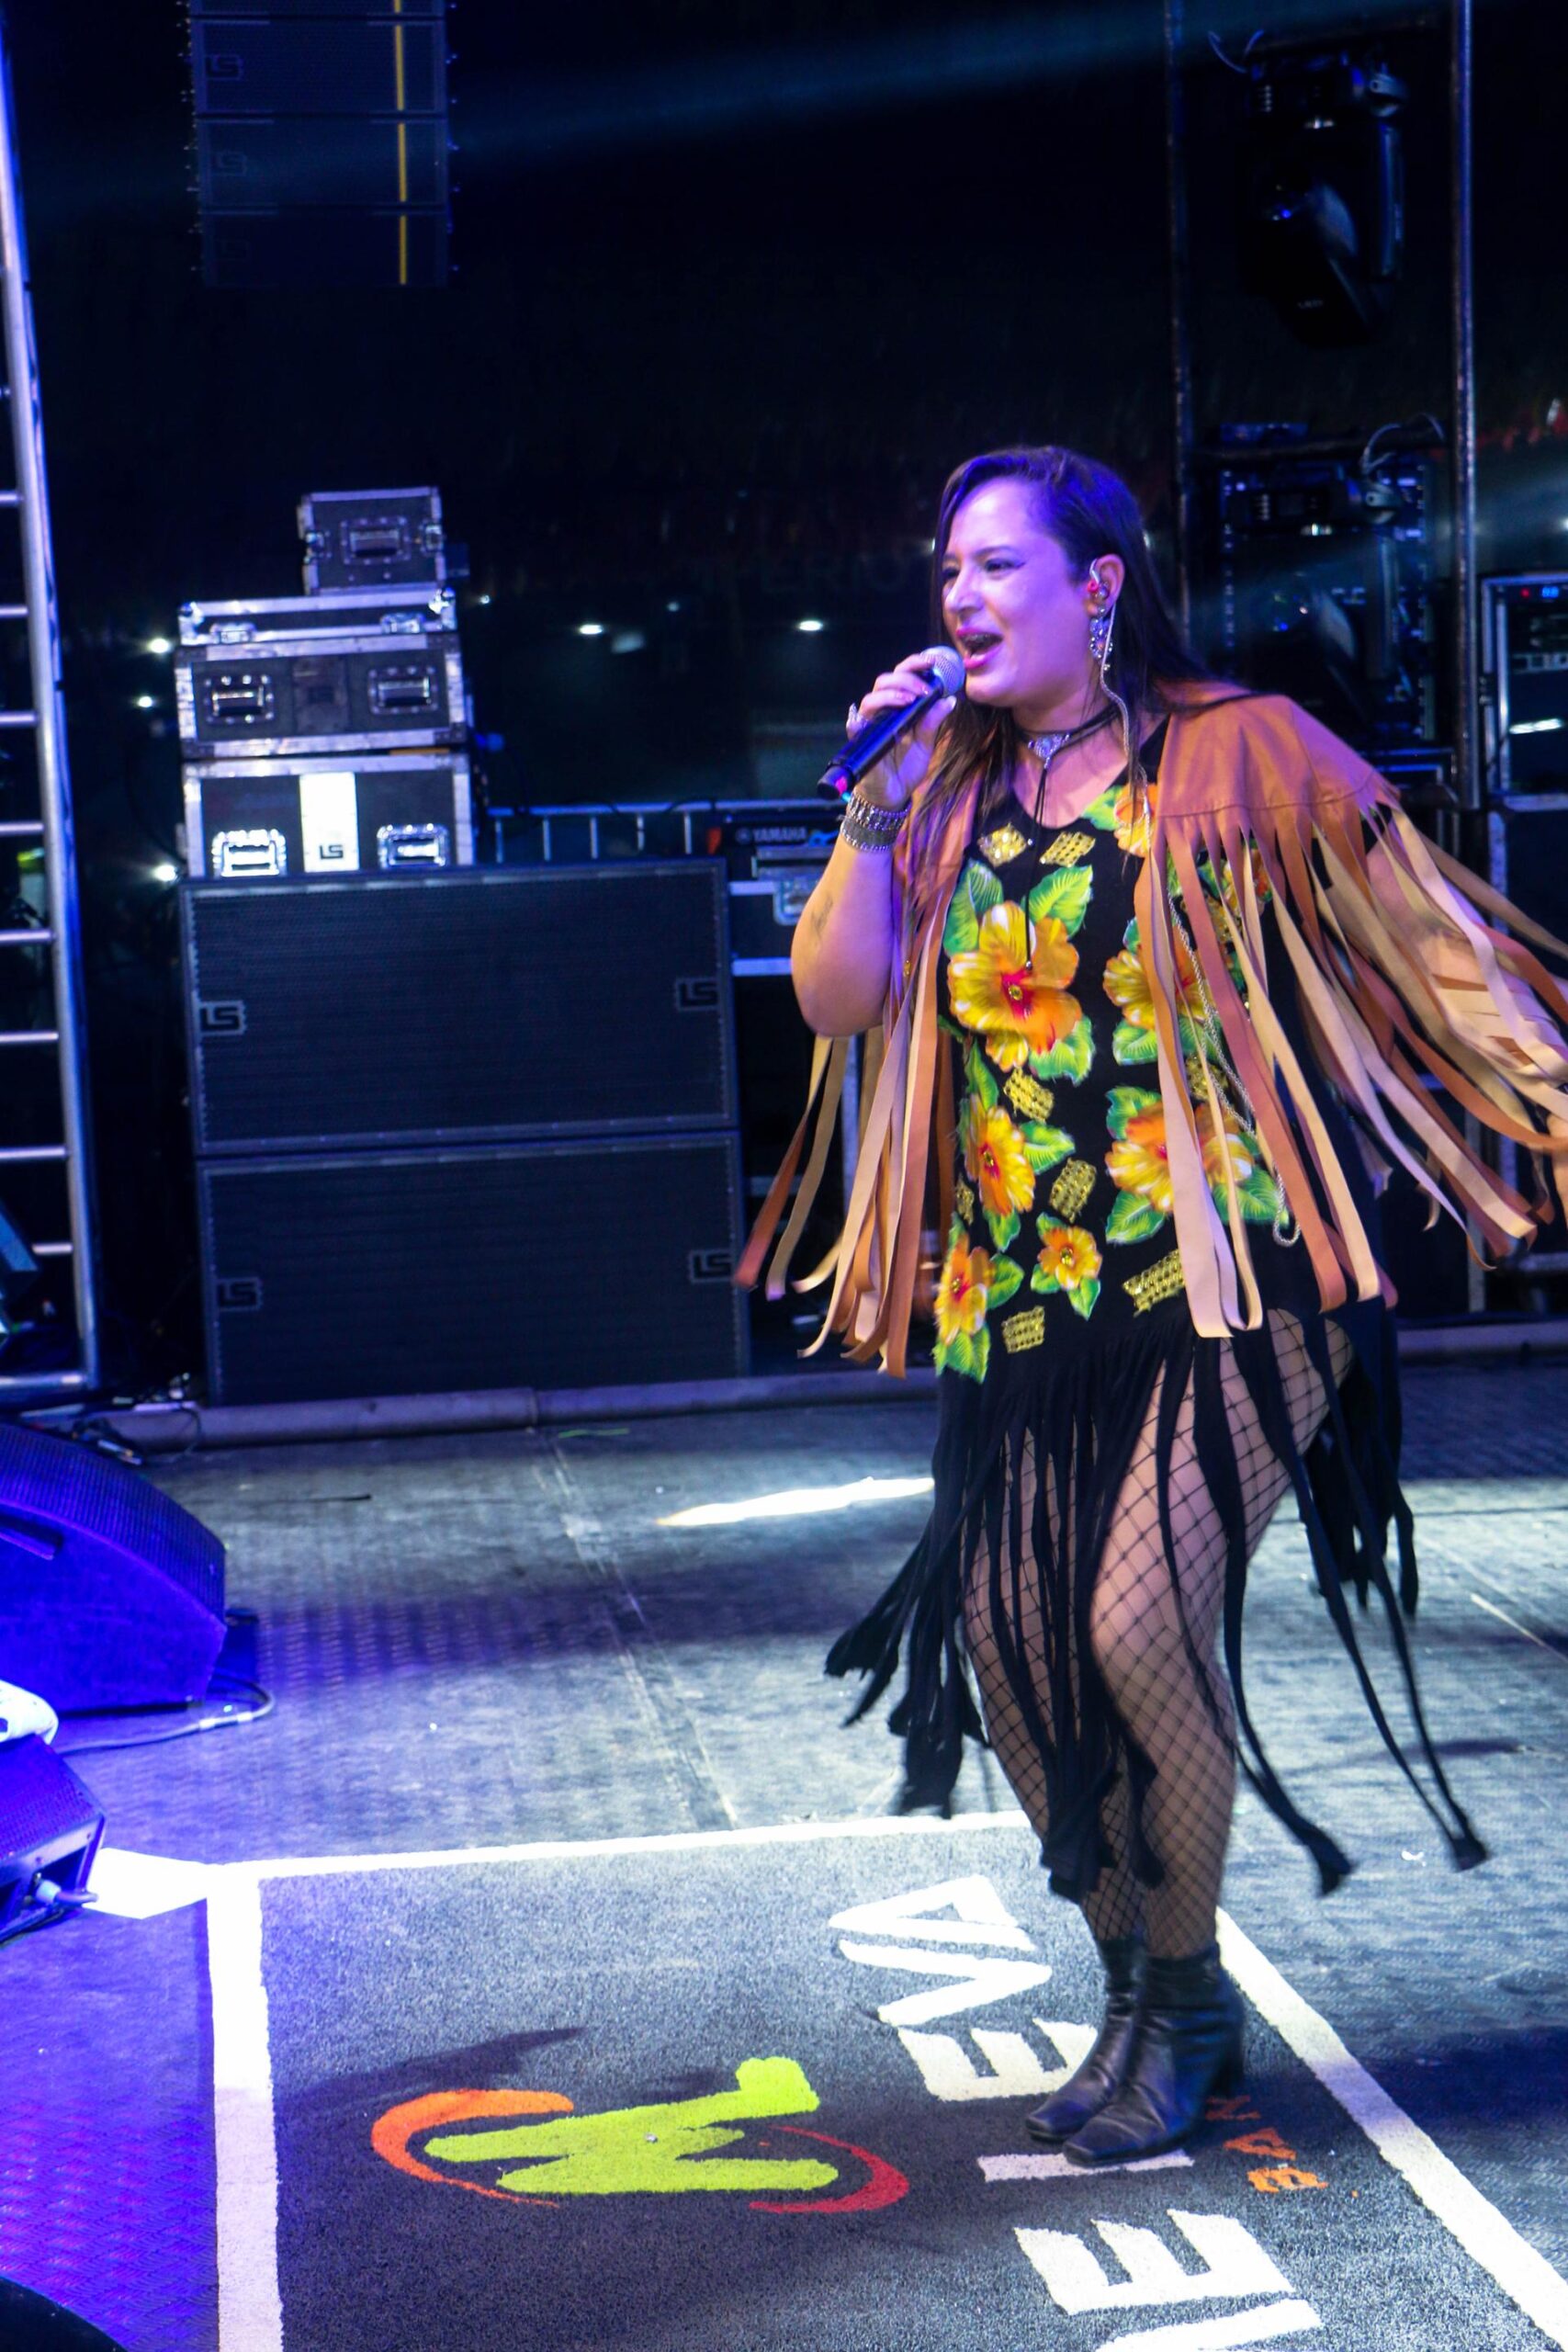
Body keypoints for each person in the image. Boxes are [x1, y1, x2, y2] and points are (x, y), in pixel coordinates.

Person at [739, 444, 1568, 2167]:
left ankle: (1184, 2007)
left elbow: (1430, 944)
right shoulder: (942, 784)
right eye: (948, 569)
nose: (961, 595)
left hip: (1234, 1270)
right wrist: (874, 802)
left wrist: (1547, 1094)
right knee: (1016, 1656)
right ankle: (1140, 1981)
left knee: (1131, 1624)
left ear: (1098, 585)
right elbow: (836, 998)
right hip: (1024, 1297)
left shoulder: (1241, 749)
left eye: (998, 566)